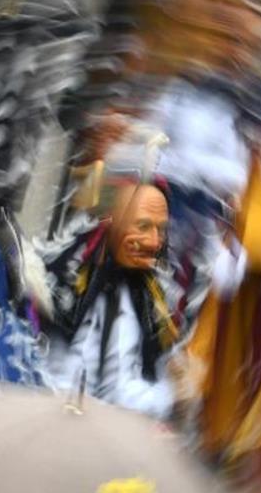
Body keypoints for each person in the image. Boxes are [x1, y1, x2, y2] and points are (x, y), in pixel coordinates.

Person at [38, 180, 183, 420]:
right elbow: (109, 391)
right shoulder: (69, 287)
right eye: (143, 226)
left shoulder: (146, 295)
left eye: (161, 229)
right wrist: (172, 396)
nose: (154, 242)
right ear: (112, 222)